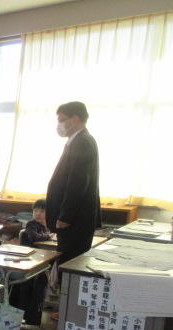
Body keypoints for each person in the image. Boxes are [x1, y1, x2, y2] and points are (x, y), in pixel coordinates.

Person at [46, 101, 100, 267]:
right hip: (73, 220)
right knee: (65, 263)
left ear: (75, 119)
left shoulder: (82, 142)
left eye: (61, 120)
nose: (59, 125)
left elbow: (78, 182)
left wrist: (65, 216)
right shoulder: (76, 141)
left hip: (74, 221)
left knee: (69, 265)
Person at [9, 199, 51, 326]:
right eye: (35, 211)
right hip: (27, 261)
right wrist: (48, 236)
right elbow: (34, 237)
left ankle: (32, 316)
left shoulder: (47, 225)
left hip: (38, 260)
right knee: (29, 285)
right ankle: (24, 315)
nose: (38, 214)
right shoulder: (31, 224)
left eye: (41, 211)